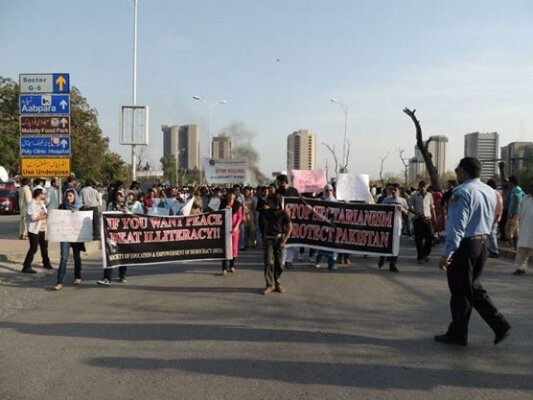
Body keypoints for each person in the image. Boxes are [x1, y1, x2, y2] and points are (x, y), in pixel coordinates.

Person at [435, 157, 511, 346]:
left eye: (457, 169)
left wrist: (447, 253)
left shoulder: (461, 193)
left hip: (465, 246)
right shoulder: (490, 191)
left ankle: (458, 335)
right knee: (472, 287)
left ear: (463, 172)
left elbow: (457, 227)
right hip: (482, 243)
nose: (456, 172)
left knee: (460, 291)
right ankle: (500, 324)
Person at [53, 189, 86, 290]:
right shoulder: (62, 206)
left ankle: (77, 276)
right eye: (67, 196)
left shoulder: (81, 208)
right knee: (63, 258)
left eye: (71, 196)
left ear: (75, 196)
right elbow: (57, 219)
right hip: (65, 236)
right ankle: (59, 281)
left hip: (76, 237)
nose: (68, 198)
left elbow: (85, 222)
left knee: (76, 257)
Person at [262, 193, 292, 295]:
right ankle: (270, 285)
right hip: (269, 240)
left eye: (270, 200)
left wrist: (284, 241)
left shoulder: (283, 213)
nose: (268, 202)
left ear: (276, 202)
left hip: (279, 240)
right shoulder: (267, 212)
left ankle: (278, 283)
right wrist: (264, 239)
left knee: (279, 263)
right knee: (269, 262)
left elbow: (290, 228)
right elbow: (265, 226)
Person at [97, 190, 129, 285]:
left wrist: (127, 212)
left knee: (123, 256)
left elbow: (134, 217)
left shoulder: (128, 206)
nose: (118, 197)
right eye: (117, 195)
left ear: (124, 196)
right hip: (112, 234)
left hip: (124, 235)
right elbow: (107, 215)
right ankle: (107, 278)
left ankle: (122, 276)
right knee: (109, 255)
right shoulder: (112, 204)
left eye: (121, 195)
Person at [378, 183, 409, 272]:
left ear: (399, 191)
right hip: (387, 225)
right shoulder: (386, 200)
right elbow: (380, 211)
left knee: (395, 244)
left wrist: (402, 209)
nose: (393, 192)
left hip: (397, 225)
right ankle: (382, 257)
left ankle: (393, 263)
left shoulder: (402, 201)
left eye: (395, 190)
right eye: (392, 190)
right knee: (385, 242)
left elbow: (407, 212)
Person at [21, 188, 53, 273]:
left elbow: (45, 213)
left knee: (44, 246)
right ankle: (26, 266)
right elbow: (33, 218)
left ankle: (46, 263)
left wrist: (46, 216)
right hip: (34, 229)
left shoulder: (42, 203)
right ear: (39, 195)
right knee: (33, 248)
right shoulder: (32, 204)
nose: (44, 195)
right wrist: (45, 217)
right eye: (43, 194)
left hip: (43, 228)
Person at [408, 180, 436, 264]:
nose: (423, 188)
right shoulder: (414, 195)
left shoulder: (429, 195)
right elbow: (409, 207)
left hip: (427, 218)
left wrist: (434, 218)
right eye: (421, 186)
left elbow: (432, 207)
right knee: (419, 239)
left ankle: (425, 253)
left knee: (430, 237)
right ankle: (420, 257)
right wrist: (416, 213)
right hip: (418, 218)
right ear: (419, 186)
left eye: (425, 186)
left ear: (427, 187)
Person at [276, 174, 299, 269]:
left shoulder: (294, 191)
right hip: (281, 219)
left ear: (284, 181)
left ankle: (289, 260)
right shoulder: (278, 191)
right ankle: (283, 261)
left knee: (291, 240)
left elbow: (300, 202)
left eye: (279, 181)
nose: (278, 183)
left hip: (292, 218)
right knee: (283, 239)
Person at [512, 180, 533, 275]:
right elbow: (519, 214)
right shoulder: (525, 199)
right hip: (525, 227)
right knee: (522, 250)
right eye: (530, 187)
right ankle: (520, 268)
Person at [220, 191, 244, 275]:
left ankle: (232, 266)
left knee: (233, 248)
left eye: (232, 197)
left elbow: (240, 217)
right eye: (229, 197)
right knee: (225, 248)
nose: (230, 199)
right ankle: (224, 268)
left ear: (234, 197)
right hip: (225, 229)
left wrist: (236, 227)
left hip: (234, 229)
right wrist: (224, 210)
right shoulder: (223, 204)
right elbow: (218, 215)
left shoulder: (238, 205)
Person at [315, 184, 338, 270]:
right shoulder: (321, 200)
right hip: (322, 226)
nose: (329, 192)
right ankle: (318, 261)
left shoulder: (335, 201)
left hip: (332, 227)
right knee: (322, 244)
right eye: (327, 190)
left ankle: (331, 264)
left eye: (330, 190)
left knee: (331, 246)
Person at [505, 175, 525, 249]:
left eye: (508, 182)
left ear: (511, 182)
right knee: (516, 230)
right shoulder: (517, 189)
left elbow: (518, 200)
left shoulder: (517, 190)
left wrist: (512, 212)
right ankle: (516, 246)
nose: (508, 184)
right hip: (517, 213)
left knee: (508, 229)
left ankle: (510, 245)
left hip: (514, 213)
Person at [486, 179, 503, 258]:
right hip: (489, 217)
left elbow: (499, 206)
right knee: (489, 234)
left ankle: (495, 251)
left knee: (492, 234)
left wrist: (497, 217)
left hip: (494, 217)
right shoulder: (490, 193)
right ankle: (490, 249)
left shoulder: (496, 194)